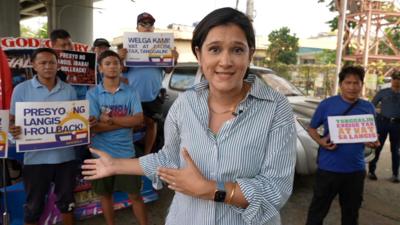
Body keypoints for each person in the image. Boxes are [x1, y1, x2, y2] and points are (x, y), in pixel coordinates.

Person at [83, 7, 297, 225]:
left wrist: (212, 190)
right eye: (214, 49)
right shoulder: (185, 103)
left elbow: (275, 190)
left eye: (237, 50)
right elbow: (169, 158)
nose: (225, 61)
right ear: (198, 54)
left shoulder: (275, 108)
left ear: (250, 54)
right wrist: (115, 165)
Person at [9, 48, 78, 225]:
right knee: (33, 207)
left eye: (52, 62)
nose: (48, 66)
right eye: (43, 63)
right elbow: (12, 122)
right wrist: (13, 131)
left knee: (68, 204)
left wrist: (84, 124)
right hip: (35, 159)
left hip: (66, 157)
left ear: (58, 65)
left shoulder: (68, 90)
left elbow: (73, 120)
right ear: (34, 65)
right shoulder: (21, 90)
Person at [305, 66, 380, 225]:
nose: (352, 87)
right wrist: (320, 141)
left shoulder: (368, 107)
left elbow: (369, 135)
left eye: (356, 83)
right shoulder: (327, 104)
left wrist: (373, 142)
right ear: (341, 84)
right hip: (328, 169)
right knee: (317, 212)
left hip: (355, 170)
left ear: (362, 85)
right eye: (348, 83)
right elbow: (311, 128)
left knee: (351, 214)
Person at [85, 50, 147, 225]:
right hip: (100, 153)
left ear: (121, 67)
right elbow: (95, 126)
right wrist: (125, 122)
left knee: (135, 195)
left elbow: (138, 119)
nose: (112, 66)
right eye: (108, 63)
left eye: (116, 63)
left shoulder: (131, 92)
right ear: (100, 68)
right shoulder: (92, 94)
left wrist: (110, 120)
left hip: (126, 152)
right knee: (105, 195)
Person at [121, 12, 179, 155]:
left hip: (153, 94)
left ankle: (147, 155)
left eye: (150, 24)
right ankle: (128, 152)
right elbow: (122, 69)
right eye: (143, 24)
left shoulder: (162, 45)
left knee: (151, 125)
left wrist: (173, 59)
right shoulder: (128, 45)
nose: (147, 27)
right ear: (137, 28)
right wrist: (120, 58)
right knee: (129, 125)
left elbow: (168, 69)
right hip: (132, 94)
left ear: (153, 28)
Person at [368, 69, 400, 183]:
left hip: (397, 125)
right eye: (395, 79)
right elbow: (371, 106)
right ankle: (371, 171)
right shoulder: (383, 92)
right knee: (377, 146)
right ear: (392, 80)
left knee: (396, 150)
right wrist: (376, 117)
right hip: (382, 123)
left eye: (399, 79)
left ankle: (395, 174)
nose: (397, 81)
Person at [50, 29, 88, 100]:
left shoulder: (83, 61)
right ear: (53, 46)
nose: (68, 48)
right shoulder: (48, 64)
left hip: (80, 105)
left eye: (70, 44)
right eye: (63, 45)